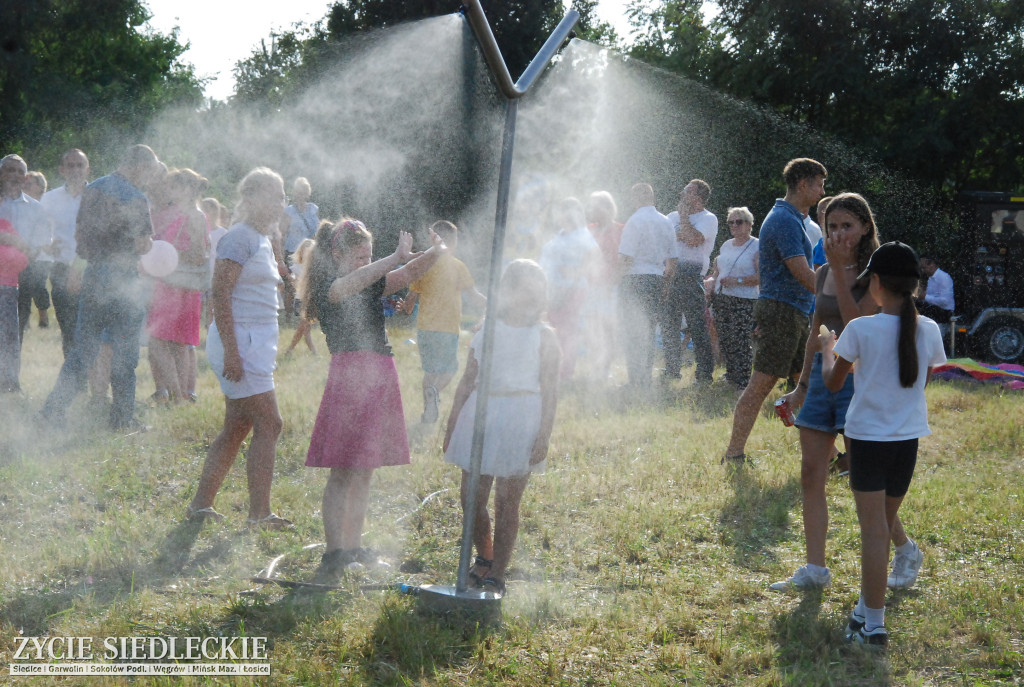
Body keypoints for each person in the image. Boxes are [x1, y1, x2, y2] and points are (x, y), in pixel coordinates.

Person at [820, 241, 945, 647]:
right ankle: (863, 609)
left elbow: (833, 383)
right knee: (883, 525)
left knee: (873, 532)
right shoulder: (928, 329)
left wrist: (827, 350)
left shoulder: (859, 329)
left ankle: (873, 625)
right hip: (907, 442)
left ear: (875, 283)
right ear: (914, 286)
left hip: (868, 442)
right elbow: (920, 384)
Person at [305, 219, 447, 575]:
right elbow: (349, 285)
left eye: (368, 255)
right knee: (343, 469)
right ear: (337, 254)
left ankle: (353, 548)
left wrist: (437, 250)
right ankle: (334, 552)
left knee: (365, 468)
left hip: (380, 372)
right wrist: (392, 257)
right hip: (350, 378)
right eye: (359, 256)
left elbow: (410, 270)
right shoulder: (330, 286)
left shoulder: (369, 283)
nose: (365, 263)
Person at [767, 192, 882, 592]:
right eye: (831, 227)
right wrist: (801, 385)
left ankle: (903, 546)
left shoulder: (875, 274)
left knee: (864, 477)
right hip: (821, 376)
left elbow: (856, 328)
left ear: (865, 227)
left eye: (846, 226)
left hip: (859, 378)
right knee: (811, 473)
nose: (838, 234)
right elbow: (818, 331)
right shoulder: (821, 272)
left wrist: (838, 267)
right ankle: (815, 568)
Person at [443, 259, 560, 595]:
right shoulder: (487, 329)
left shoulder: (545, 336)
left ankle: (499, 572)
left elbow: (551, 391)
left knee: (507, 501)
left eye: (533, 291)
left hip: (521, 418)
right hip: (481, 415)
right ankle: (484, 555)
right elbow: (467, 381)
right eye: (519, 289)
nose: (525, 297)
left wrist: (543, 435)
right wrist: (452, 425)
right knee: (471, 498)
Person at [187, 167, 290, 528]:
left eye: (283, 196)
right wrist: (232, 351)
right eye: (276, 195)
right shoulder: (239, 237)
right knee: (270, 422)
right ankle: (259, 514)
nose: (281, 203)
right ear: (252, 198)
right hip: (240, 344)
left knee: (237, 426)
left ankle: (200, 505)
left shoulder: (260, 238)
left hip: (255, 343)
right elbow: (220, 293)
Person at [40, 145, 161, 430]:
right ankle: (122, 420)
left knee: (83, 351)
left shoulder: (92, 189)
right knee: (125, 354)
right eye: (149, 172)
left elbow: (80, 237)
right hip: (122, 282)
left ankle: (51, 412)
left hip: (94, 277)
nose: (149, 179)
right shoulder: (135, 197)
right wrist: (151, 244)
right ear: (139, 166)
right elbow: (143, 244)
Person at [723, 158, 825, 462]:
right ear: (803, 184)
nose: (822, 191)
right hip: (782, 311)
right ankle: (733, 454)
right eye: (820, 184)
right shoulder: (783, 220)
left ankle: (828, 453)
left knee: (804, 383)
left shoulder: (792, 219)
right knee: (761, 384)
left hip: (792, 311)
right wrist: (842, 293)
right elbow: (804, 275)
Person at [402, 220, 485, 423]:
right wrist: (492, 305)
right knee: (449, 370)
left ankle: (428, 411)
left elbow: (411, 297)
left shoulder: (424, 264)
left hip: (425, 329)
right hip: (448, 329)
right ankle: (435, 391)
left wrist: (406, 308)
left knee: (430, 371)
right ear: (453, 242)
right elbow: (474, 295)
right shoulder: (457, 266)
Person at [146, 169, 210, 404]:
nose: (169, 191)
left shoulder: (193, 216)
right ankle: (181, 394)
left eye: (173, 187)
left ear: (186, 189)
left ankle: (176, 394)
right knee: (178, 343)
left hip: (177, 285)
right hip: (174, 285)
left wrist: (169, 254)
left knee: (159, 340)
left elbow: (198, 254)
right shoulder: (182, 214)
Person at [618, 183, 677, 392]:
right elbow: (673, 259)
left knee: (633, 329)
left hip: (635, 279)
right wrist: (666, 285)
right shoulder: (666, 221)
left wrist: (616, 279)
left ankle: (635, 379)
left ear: (636, 198)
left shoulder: (634, 221)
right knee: (649, 330)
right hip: (656, 278)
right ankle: (645, 376)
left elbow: (626, 257)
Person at [662, 180, 719, 384]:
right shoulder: (670, 217)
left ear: (698, 198)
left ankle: (704, 375)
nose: (681, 192)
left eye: (687, 191)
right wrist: (680, 235)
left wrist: (684, 219)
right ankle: (671, 370)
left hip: (692, 274)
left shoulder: (708, 218)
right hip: (670, 273)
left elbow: (694, 239)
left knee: (697, 326)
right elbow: (664, 242)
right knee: (669, 325)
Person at [538, 198, 600, 381]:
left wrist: (575, 271)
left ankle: (564, 373)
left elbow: (594, 258)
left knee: (567, 332)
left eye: (566, 211)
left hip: (573, 290)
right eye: (561, 211)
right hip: (554, 288)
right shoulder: (560, 235)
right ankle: (549, 369)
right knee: (551, 329)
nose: (561, 215)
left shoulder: (583, 234)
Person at [40, 149, 91, 357]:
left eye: (80, 165)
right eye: (70, 165)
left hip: (90, 268)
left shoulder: (97, 197)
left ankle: (93, 377)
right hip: (61, 268)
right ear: (62, 170)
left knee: (90, 327)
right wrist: (47, 244)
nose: (75, 170)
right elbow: (39, 231)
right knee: (68, 328)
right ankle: (73, 382)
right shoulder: (50, 198)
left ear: (88, 169)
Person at [705, 207, 759, 389]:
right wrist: (711, 282)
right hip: (722, 298)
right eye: (731, 222)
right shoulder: (726, 245)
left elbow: (762, 276)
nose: (734, 225)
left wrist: (738, 280)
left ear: (750, 225)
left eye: (739, 222)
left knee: (741, 340)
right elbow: (717, 272)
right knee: (726, 339)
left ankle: (743, 381)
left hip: (744, 300)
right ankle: (731, 376)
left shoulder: (757, 246)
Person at [0, 155, 53, 342]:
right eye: (9, 170)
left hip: (21, 276)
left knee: (14, 335)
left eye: (20, 171)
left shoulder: (36, 209)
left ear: (25, 178)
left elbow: (41, 244)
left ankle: (10, 371)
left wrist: (22, 250)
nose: (14, 175)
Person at [585, 191, 623, 381]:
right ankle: (595, 366)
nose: (590, 209)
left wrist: (612, 283)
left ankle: (606, 368)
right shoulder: (588, 229)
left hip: (611, 288)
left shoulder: (620, 230)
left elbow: (623, 261)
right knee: (592, 328)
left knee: (608, 330)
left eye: (594, 205)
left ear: (607, 207)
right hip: (590, 287)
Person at [281, 177, 320, 323]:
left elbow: (318, 230)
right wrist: (279, 254)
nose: (301, 194)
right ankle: (289, 315)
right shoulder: (289, 211)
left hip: (310, 252)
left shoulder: (313, 210)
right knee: (292, 285)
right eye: (299, 191)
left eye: (304, 191)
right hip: (293, 253)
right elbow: (282, 234)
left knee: (309, 284)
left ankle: (307, 315)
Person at [0, 218, 29, 392]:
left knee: (9, 339)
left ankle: (9, 383)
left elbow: (23, 259)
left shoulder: (5, 224)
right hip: (8, 288)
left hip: (9, 289)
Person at [283, 238, 318, 356]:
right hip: (301, 300)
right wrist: (292, 279)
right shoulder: (297, 267)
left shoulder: (312, 267)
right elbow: (292, 279)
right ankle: (313, 352)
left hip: (310, 300)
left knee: (305, 328)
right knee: (304, 326)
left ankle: (290, 350)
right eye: (306, 250)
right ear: (301, 251)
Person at [915, 255, 954, 342]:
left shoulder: (944, 277)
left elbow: (945, 301)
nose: (923, 271)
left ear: (932, 265)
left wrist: (924, 296)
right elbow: (929, 297)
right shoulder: (931, 279)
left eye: (924, 268)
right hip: (934, 309)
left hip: (944, 311)